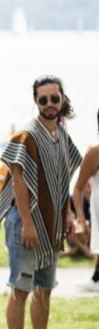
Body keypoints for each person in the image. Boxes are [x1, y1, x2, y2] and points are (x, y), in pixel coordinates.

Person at [0, 76, 81, 329]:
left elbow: (63, 179)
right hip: (25, 221)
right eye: (43, 100)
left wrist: (67, 214)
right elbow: (18, 181)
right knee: (21, 286)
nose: (50, 104)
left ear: (62, 98)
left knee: (45, 287)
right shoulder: (26, 136)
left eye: (54, 98)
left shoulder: (62, 136)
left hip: (52, 221)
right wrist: (28, 223)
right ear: (36, 102)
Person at [72, 107, 99, 290]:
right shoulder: (95, 151)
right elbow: (78, 188)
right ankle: (96, 280)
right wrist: (81, 220)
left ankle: (96, 279)